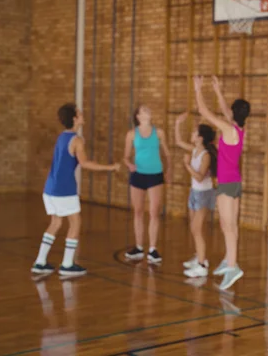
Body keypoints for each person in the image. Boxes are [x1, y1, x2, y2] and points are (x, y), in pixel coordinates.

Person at [31, 103, 120, 276]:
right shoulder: (77, 140)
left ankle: (40, 262)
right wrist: (110, 167)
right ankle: (67, 264)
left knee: (56, 223)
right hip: (64, 189)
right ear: (74, 119)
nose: (82, 114)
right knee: (75, 222)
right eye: (79, 113)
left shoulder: (62, 137)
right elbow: (85, 163)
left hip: (50, 187)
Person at [194, 75, 251, 291]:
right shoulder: (238, 129)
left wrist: (198, 90)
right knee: (230, 225)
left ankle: (232, 266)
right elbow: (226, 111)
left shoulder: (228, 129)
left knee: (227, 227)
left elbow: (205, 113)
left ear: (234, 113)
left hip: (227, 184)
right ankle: (229, 259)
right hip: (235, 182)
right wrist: (217, 91)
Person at [123, 104, 172, 263]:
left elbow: (167, 153)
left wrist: (169, 170)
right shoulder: (131, 134)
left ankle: (152, 249)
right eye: (144, 110)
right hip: (137, 175)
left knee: (154, 212)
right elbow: (125, 157)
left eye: (148, 109)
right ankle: (138, 247)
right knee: (138, 211)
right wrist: (129, 165)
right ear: (138, 116)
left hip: (155, 175)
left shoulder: (159, 133)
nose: (148, 110)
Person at [174, 111, 218, 277]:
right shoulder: (195, 150)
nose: (191, 135)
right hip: (194, 192)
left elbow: (199, 177)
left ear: (200, 137)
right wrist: (178, 123)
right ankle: (200, 257)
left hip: (204, 194)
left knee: (196, 229)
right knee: (194, 228)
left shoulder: (205, 155)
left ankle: (202, 265)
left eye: (194, 132)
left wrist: (186, 165)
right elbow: (178, 141)